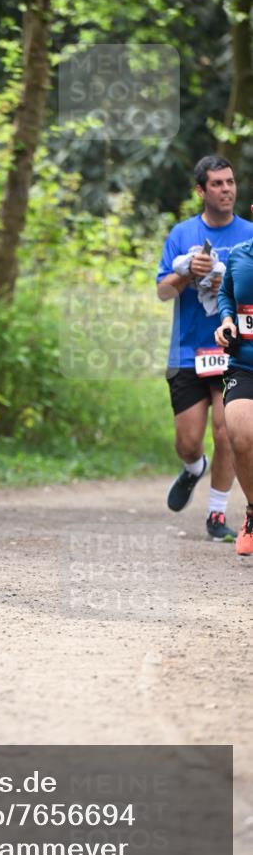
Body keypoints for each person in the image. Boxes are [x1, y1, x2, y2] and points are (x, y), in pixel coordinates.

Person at [156, 155, 253, 540]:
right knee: (188, 441)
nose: (226, 189)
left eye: (230, 182)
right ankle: (194, 468)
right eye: (217, 183)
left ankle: (217, 517)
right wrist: (187, 274)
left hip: (237, 353)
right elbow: (162, 292)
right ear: (201, 191)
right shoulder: (181, 235)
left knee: (228, 429)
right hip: (187, 351)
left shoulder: (249, 234)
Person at [215, 214, 253, 556]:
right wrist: (226, 320)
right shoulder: (240, 254)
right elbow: (227, 295)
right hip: (246, 364)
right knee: (239, 435)